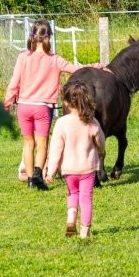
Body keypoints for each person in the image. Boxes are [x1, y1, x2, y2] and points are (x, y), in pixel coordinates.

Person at [4, 20, 103, 190]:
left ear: (32, 36)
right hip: (42, 107)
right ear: (49, 37)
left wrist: (7, 103)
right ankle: (38, 173)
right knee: (42, 144)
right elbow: (76, 69)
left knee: (28, 143)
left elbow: (14, 83)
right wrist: (96, 66)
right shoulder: (55, 60)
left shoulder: (22, 58)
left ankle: (30, 180)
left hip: (23, 106)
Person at [44, 82, 105, 238]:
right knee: (86, 199)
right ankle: (84, 232)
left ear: (65, 102)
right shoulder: (91, 121)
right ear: (86, 99)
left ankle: (71, 219)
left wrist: (51, 171)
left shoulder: (61, 123)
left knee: (72, 194)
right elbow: (101, 141)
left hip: (69, 169)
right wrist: (101, 152)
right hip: (87, 168)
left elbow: (56, 149)